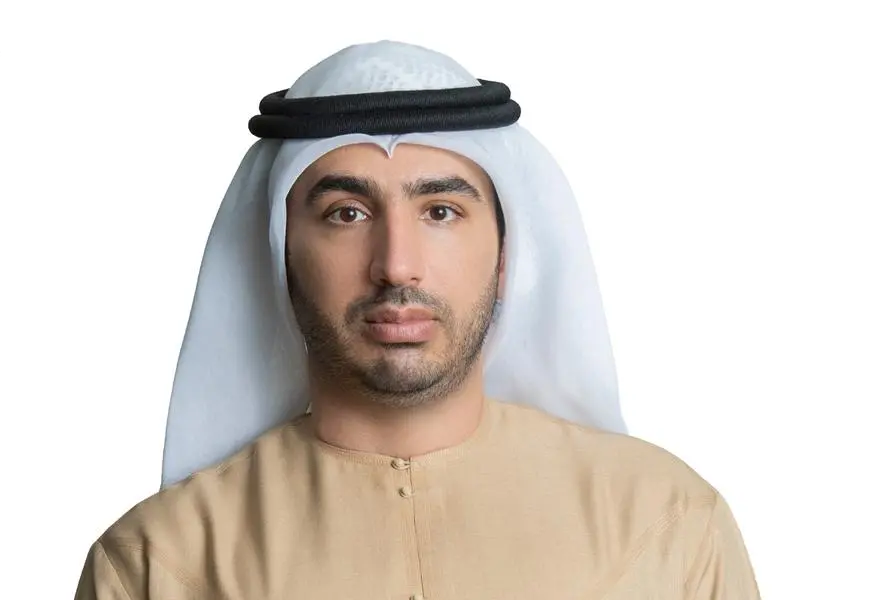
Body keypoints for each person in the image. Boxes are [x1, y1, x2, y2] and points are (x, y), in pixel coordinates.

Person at [74, 40, 760, 599]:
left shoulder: (667, 526)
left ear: (507, 257)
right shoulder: (158, 562)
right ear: (280, 254)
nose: (397, 265)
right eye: (347, 214)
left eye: (441, 212)